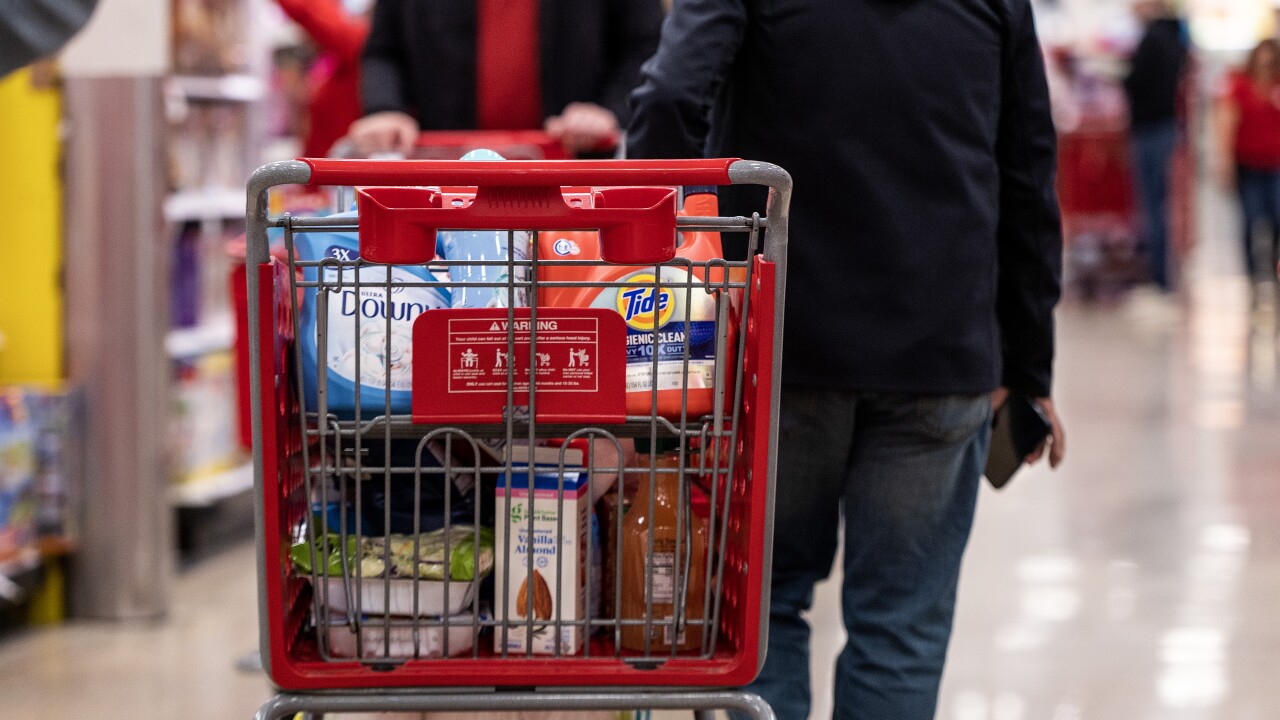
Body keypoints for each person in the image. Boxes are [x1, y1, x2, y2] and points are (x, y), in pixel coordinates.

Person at [628, 1, 1066, 719]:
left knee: (764, 609)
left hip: (782, 348)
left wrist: (668, 267)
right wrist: (1030, 366)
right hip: (941, 350)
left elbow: (670, 98)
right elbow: (1027, 173)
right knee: (900, 628)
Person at [350, 0, 663, 156]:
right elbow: (384, 51)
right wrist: (384, 108)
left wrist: (607, 110)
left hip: (574, 178)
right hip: (447, 177)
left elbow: (646, 44)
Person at [1123, 0, 1188, 291]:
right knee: (1163, 205)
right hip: (1167, 126)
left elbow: (1137, 82)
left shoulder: (1153, 39)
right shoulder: (1176, 36)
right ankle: (1164, 274)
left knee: (1153, 206)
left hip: (1151, 128)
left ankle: (1159, 275)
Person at [1216, 39, 1280, 285]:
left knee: (1277, 218)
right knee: (1251, 220)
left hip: (1275, 164)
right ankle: (1252, 275)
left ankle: (1274, 270)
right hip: (1248, 164)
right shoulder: (1239, 85)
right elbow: (1226, 122)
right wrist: (1225, 162)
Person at [275, 0, 370, 159]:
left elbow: (311, 14)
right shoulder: (333, 59)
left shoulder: (359, 45)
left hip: (335, 167)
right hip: (320, 165)